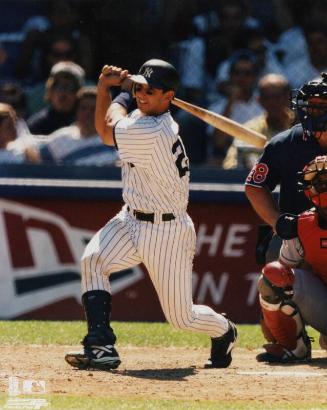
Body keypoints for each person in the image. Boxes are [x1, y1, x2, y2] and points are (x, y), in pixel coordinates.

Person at [64, 58, 237, 370]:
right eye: (141, 89)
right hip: (130, 218)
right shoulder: (144, 116)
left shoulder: (153, 130)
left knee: (182, 318)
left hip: (166, 230)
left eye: (151, 91)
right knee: (93, 260)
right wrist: (128, 90)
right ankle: (101, 347)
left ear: (168, 97)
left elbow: (105, 131)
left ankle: (224, 330)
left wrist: (113, 91)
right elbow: (114, 122)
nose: (142, 95)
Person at [245, 72, 327, 264]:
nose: (313, 113)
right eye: (310, 107)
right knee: (275, 263)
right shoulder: (285, 142)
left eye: (321, 107)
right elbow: (254, 186)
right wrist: (278, 222)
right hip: (298, 235)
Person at [256, 155, 327, 363]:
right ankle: (295, 347)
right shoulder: (302, 225)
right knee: (273, 276)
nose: (325, 188)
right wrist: (272, 319)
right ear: (309, 189)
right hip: (323, 305)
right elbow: (279, 280)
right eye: (320, 183)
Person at [24, 86, 118, 166]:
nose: (87, 113)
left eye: (93, 109)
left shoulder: (116, 139)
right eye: (83, 108)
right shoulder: (62, 138)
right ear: (76, 111)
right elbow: (33, 154)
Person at [223, 73, 295, 170]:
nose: (272, 102)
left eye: (277, 96)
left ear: (287, 98)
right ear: (259, 100)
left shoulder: (301, 125)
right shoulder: (250, 129)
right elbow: (231, 165)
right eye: (267, 97)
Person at [27, 61, 85, 136]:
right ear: (50, 90)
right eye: (58, 86)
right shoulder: (35, 125)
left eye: (70, 87)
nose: (63, 93)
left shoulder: (86, 124)